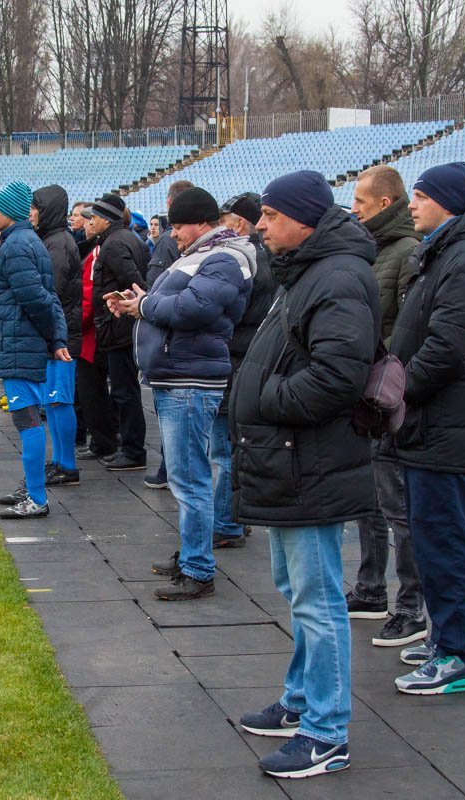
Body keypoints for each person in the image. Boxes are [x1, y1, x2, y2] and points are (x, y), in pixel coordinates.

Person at [232, 171, 378, 779]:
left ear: (304, 218)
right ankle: (301, 702)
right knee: (298, 594)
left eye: (269, 214)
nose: (259, 225)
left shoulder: (338, 275)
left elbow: (338, 377)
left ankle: (327, 732)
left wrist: (267, 398)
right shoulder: (308, 269)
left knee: (318, 603)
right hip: (289, 461)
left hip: (309, 463)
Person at [386, 162, 465, 695]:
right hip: (429, 422)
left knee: (443, 541)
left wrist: (395, 388)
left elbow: (446, 347)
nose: (411, 205)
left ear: (449, 202)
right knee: (434, 536)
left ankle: (457, 653)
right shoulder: (447, 253)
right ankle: (449, 638)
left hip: (441, 423)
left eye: (420, 196)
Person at [110, 187, 253, 600]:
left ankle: (199, 569)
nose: (173, 234)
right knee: (186, 478)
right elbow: (179, 303)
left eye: (178, 225)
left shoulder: (223, 257)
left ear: (202, 223)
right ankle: (193, 555)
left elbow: (195, 309)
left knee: (190, 480)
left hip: (190, 379)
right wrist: (141, 302)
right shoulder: (208, 255)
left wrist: (145, 308)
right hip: (179, 374)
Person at [343, 165, 428, 649]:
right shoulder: (368, 250)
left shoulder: (406, 253)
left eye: (359, 199)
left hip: (385, 395)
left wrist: (369, 361)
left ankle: (410, 605)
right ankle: (372, 588)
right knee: (369, 501)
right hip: (363, 394)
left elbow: (406, 330)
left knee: (399, 508)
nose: (353, 207)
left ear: (384, 203)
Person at [0, 181, 70, 519]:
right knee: (29, 418)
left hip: (20, 344)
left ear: (11, 212)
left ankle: (36, 497)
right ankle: (32, 489)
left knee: (28, 419)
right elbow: (49, 297)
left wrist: (53, 339)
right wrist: (57, 339)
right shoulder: (24, 241)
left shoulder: (18, 245)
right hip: (21, 342)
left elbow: (36, 299)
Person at [213, 193, 275, 547]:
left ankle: (227, 522)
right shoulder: (266, 257)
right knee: (237, 446)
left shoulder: (242, 260)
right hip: (249, 359)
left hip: (235, 359)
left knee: (224, 451)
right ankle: (238, 514)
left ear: (238, 223)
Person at [77, 193, 149, 471]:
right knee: (123, 389)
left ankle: (133, 450)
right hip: (121, 326)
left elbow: (135, 282)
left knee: (124, 391)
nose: (90, 223)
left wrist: (116, 302)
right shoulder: (127, 239)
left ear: (105, 220)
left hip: (118, 327)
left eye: (93, 218)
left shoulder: (113, 244)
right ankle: (129, 447)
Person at [142, 179, 194, 490]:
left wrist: (145, 305)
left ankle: (169, 468)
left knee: (172, 410)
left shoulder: (167, 245)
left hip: (174, 343)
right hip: (187, 344)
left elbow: (158, 288)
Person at [30, 185, 82, 488]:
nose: (31, 213)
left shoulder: (59, 243)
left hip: (62, 335)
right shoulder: (52, 240)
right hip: (56, 333)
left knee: (59, 400)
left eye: (35, 207)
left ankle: (68, 464)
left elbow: (53, 290)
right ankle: (60, 461)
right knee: (53, 402)